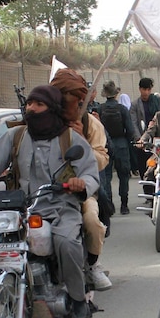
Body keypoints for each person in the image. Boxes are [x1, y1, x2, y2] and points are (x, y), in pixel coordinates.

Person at [0, 85, 99, 318]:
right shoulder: (15, 136)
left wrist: (80, 183)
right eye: (29, 104)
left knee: (67, 244)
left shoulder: (70, 138)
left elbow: (90, 173)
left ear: (52, 108)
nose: (32, 109)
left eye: (39, 105)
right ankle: (3, 296)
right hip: (19, 208)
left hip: (60, 206)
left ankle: (78, 299)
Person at [50, 69, 113, 290]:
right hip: (45, 192)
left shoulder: (90, 124)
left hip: (81, 190)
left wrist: (81, 142)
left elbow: (102, 159)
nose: (73, 107)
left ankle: (93, 264)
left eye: (77, 102)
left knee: (92, 222)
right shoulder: (41, 121)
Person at [99, 80, 136, 215]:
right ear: (116, 94)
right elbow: (130, 129)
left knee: (107, 176)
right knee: (123, 175)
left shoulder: (100, 109)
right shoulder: (122, 109)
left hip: (105, 145)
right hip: (122, 144)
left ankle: (109, 205)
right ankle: (124, 205)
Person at [130, 77, 160, 179]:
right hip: (142, 141)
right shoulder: (135, 104)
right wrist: (139, 139)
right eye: (144, 89)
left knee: (156, 166)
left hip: (156, 139)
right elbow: (133, 123)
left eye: (148, 89)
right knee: (143, 167)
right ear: (140, 89)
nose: (146, 92)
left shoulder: (156, 101)